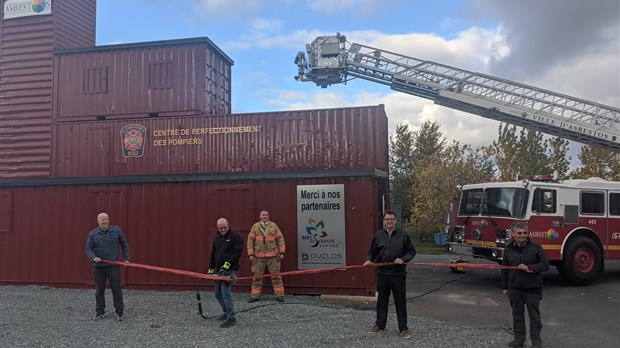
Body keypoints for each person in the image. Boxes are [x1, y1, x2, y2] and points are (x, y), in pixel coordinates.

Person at [363, 210, 416, 340]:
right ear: (384, 221)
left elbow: (411, 252)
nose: (389, 221)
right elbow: (372, 251)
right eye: (387, 219)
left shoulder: (403, 235)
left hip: (398, 275)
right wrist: (369, 259)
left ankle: (403, 328)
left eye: (392, 219)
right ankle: (380, 325)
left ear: (396, 221)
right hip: (383, 275)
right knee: (382, 301)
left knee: (400, 302)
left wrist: (403, 259)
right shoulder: (378, 236)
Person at [501, 222, 550, 348]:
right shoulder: (508, 249)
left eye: (524, 233)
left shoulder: (536, 247)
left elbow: (545, 265)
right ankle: (519, 340)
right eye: (519, 233)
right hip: (515, 287)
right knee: (517, 315)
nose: (522, 235)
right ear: (513, 234)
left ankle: (536, 341)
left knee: (534, 316)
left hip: (532, 288)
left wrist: (529, 267)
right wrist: (504, 287)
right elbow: (504, 269)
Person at [85, 212, 130, 321]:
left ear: (108, 220)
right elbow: (88, 249)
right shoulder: (92, 234)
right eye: (102, 219)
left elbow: (124, 244)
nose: (104, 221)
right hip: (99, 267)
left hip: (113, 266)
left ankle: (120, 312)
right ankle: (100, 312)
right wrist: (93, 257)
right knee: (99, 290)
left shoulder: (117, 231)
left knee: (116, 289)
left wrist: (126, 259)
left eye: (106, 219)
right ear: (98, 221)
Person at [208, 218, 243, 328]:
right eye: (221, 228)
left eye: (225, 227)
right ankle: (226, 312)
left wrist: (227, 264)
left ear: (228, 225)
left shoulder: (235, 237)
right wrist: (210, 269)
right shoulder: (217, 238)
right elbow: (213, 254)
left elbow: (237, 253)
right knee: (218, 294)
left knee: (225, 294)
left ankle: (231, 317)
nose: (223, 229)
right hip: (219, 271)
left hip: (229, 270)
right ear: (217, 228)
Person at [247, 210, 286, 302]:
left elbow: (280, 239)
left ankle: (279, 295)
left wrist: (282, 252)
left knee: (276, 276)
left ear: (269, 216)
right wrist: (251, 254)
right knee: (257, 277)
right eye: (263, 215)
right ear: (260, 216)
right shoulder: (255, 226)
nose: (265, 216)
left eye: (266, 215)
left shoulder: (274, 226)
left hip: (273, 256)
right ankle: (255, 296)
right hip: (258, 257)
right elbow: (250, 241)